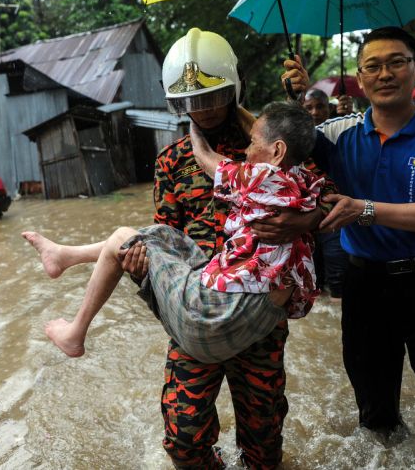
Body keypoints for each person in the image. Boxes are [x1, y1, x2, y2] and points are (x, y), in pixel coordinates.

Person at [124, 27, 316, 468]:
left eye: (213, 96)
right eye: (191, 101)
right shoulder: (171, 161)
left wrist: (304, 219)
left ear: (234, 89)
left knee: (263, 440)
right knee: (182, 434)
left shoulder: (267, 147)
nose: (203, 109)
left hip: (261, 313)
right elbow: (165, 238)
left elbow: (323, 201)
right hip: (199, 311)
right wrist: (141, 267)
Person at [22, 102, 322, 365]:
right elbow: (165, 230)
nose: (247, 149)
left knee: (121, 238)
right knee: (158, 234)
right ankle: (67, 255)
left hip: (216, 312)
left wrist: (193, 122)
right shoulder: (307, 180)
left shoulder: (263, 173)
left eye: (253, 142)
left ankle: (75, 332)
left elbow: (206, 157)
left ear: (277, 150)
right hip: (254, 312)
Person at [311, 27, 415, 468]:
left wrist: (365, 209)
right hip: (365, 285)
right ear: (360, 80)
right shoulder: (334, 134)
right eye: (373, 65)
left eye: (396, 62)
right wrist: (296, 97)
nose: (385, 73)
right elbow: (271, 145)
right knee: (375, 417)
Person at [303, 89, 349, 298]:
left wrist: (345, 112)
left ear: (329, 108)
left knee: (340, 282)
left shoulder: (338, 134)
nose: (314, 112)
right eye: (308, 108)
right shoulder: (293, 139)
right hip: (305, 221)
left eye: (320, 106)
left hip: (334, 216)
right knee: (313, 283)